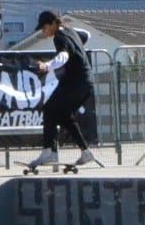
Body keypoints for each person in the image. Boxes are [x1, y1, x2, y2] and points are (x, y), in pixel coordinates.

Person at [27, 11, 98, 170]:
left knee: (49, 109)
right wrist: (77, 42)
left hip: (75, 82)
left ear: (52, 24)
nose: (43, 32)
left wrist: (47, 65)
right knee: (65, 115)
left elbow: (63, 56)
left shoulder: (59, 37)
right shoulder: (71, 31)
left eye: (44, 28)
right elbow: (86, 35)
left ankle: (48, 151)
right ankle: (85, 151)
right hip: (86, 83)